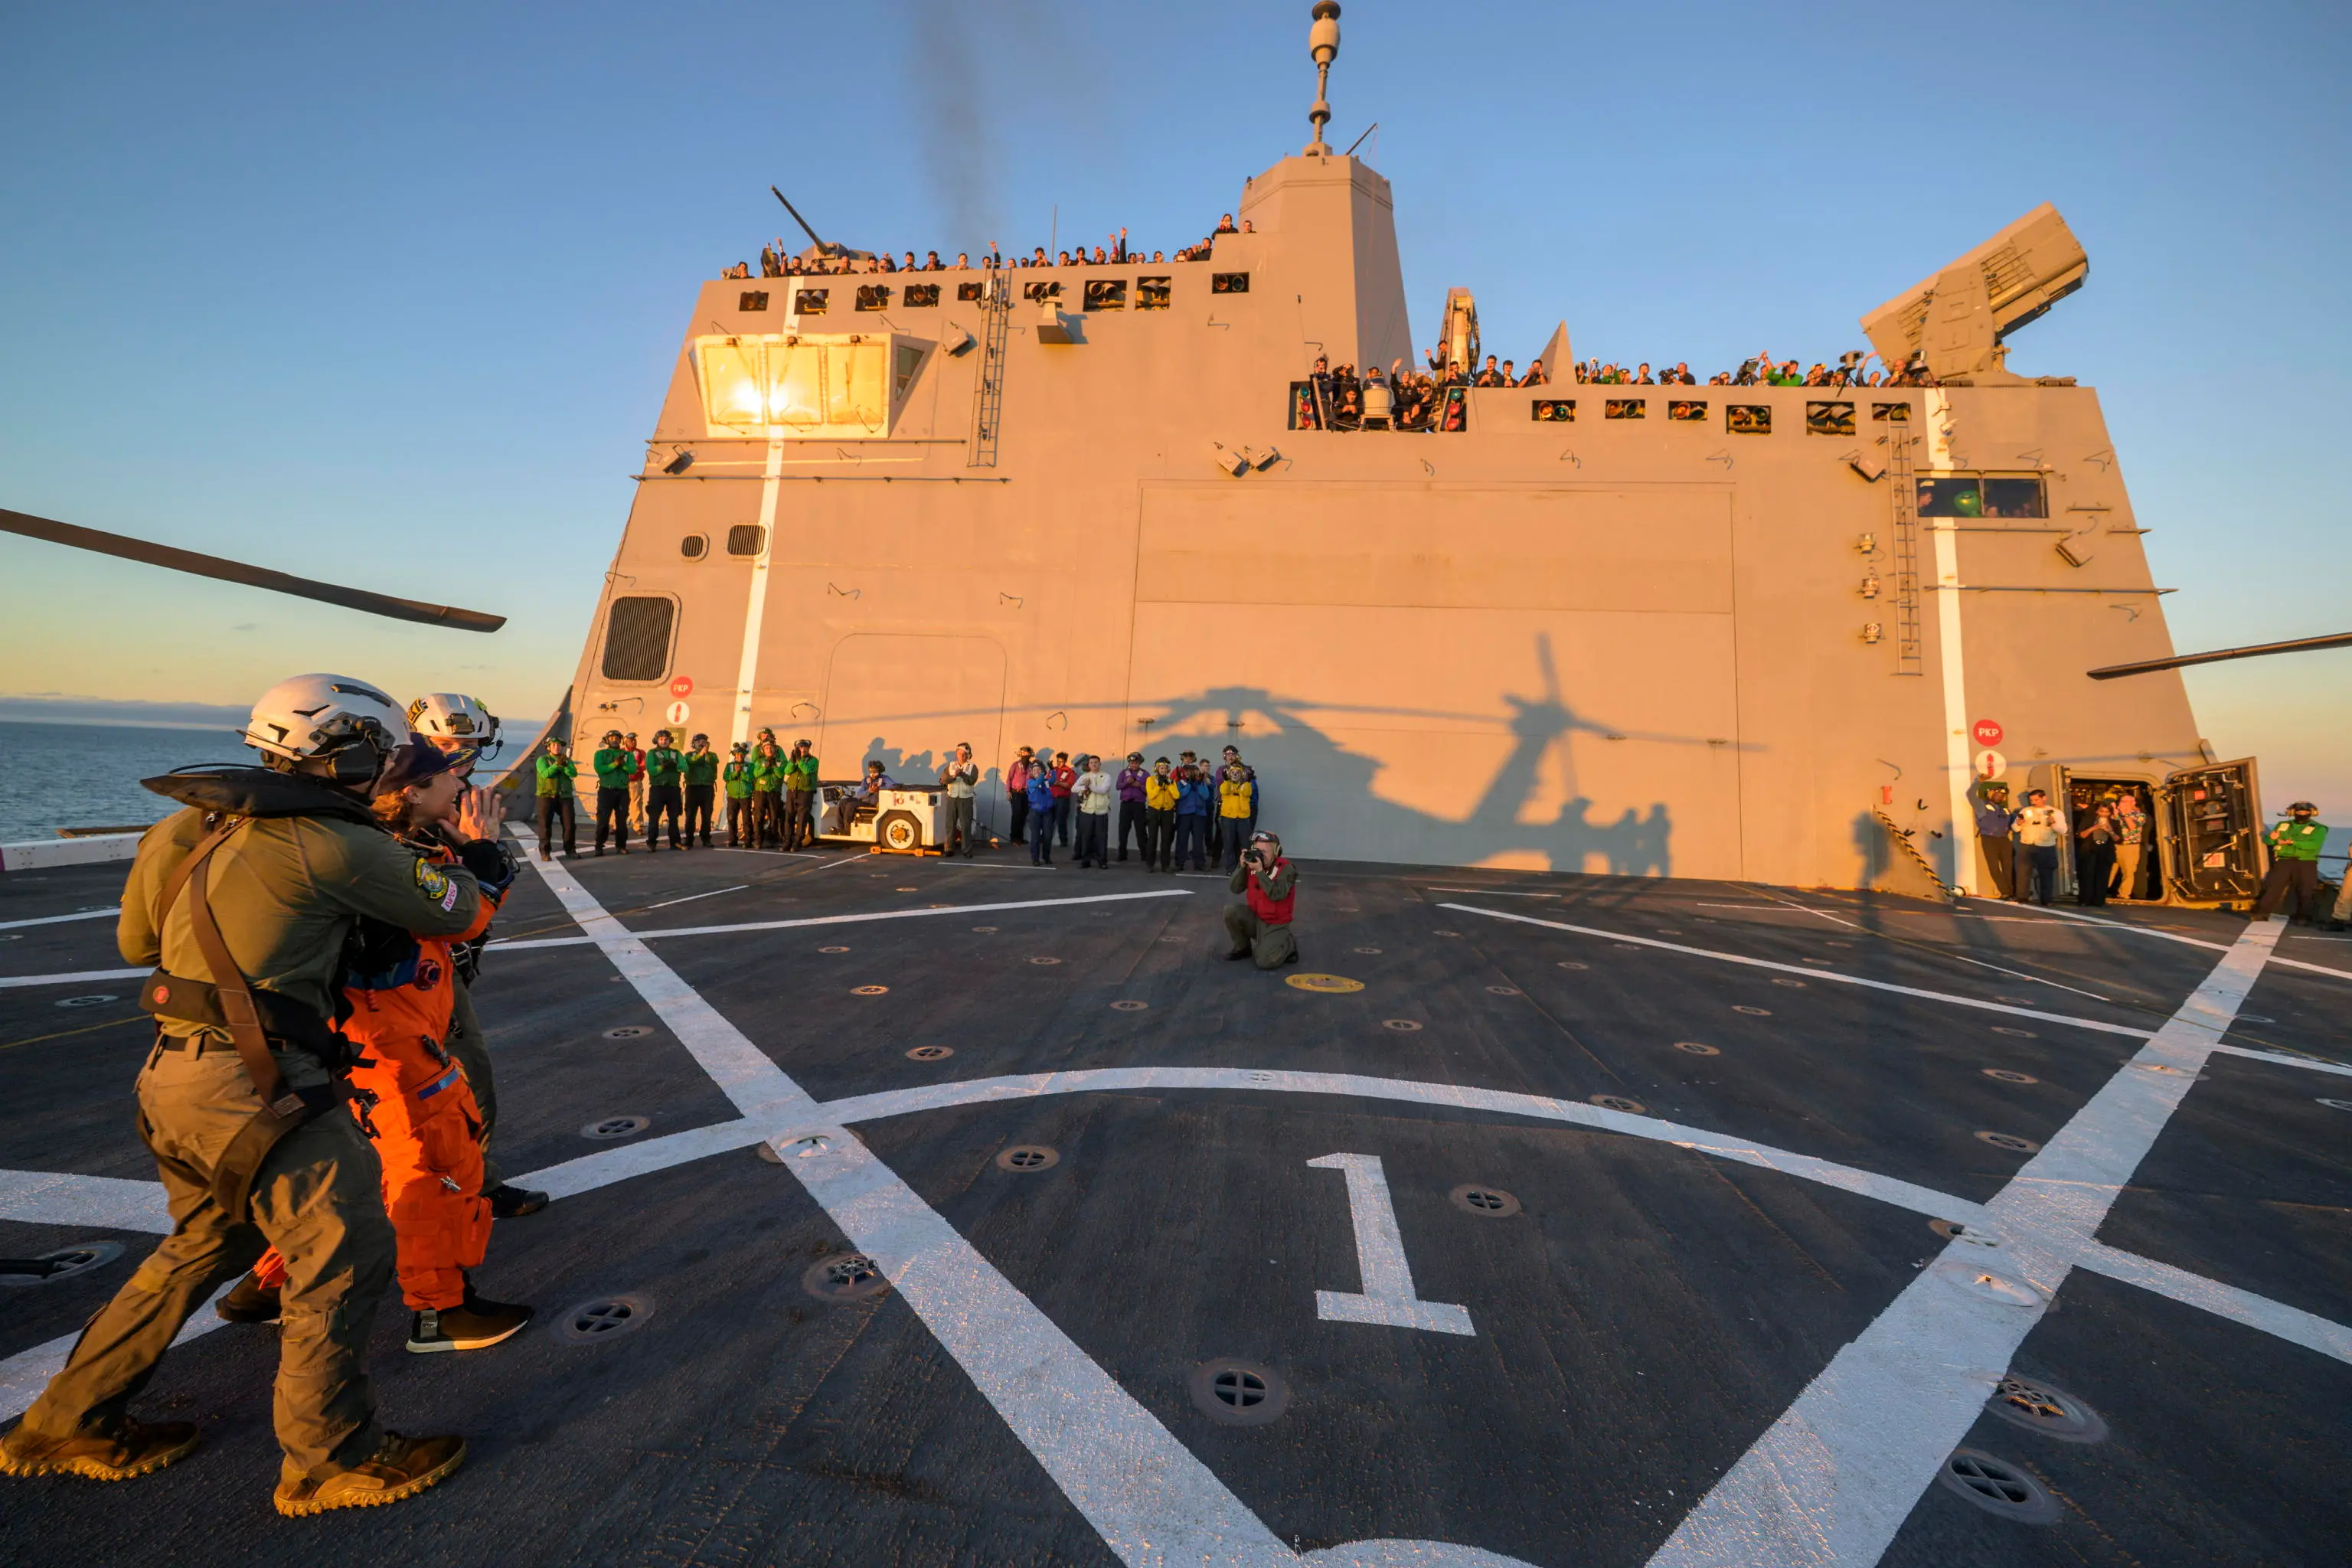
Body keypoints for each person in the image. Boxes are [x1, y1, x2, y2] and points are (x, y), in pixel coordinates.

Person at [0, 674, 480, 1514]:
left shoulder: (186, 823)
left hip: (170, 1075)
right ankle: (330, 1456)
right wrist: (461, 852)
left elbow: (136, 940)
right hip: (259, 1086)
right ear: (346, 749)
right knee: (345, 1247)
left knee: (197, 1248)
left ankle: (66, 1416)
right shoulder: (338, 841)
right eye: (374, 747)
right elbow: (457, 908)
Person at [220, 741, 532, 1354]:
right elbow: (464, 914)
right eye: (448, 778)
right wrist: (483, 847)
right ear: (412, 791)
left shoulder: (364, 845)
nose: (462, 787)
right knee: (437, 1165)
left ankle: (267, 1286)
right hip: (392, 1043)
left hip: (364, 1040)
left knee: (363, 1178)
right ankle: (439, 1312)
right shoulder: (386, 857)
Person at [1222, 830, 1300, 969]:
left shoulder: (1286, 869)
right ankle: (1243, 948)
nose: (1260, 855)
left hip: (1276, 924)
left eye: (1265, 851)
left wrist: (1260, 872)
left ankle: (1288, 944)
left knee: (1264, 962)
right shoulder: (1253, 865)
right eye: (1257, 850)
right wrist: (1241, 866)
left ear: (1277, 852)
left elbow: (1277, 894)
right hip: (1257, 919)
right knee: (1231, 911)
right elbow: (1235, 889)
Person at [2252, 802, 2329, 922]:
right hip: (2284, 861)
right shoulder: (2282, 825)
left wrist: (2292, 842)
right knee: (2273, 887)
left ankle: (2303, 917)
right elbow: (2269, 841)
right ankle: (2262, 913)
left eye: (2305, 812)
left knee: (2305, 890)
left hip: (2306, 862)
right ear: (2292, 813)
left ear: (2312, 813)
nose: (2302, 814)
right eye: (2299, 812)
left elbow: (2314, 845)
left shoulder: (2319, 828)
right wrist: (2271, 838)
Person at [2012, 789, 2063, 905]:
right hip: (2027, 844)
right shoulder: (2025, 811)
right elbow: (2015, 828)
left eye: (2036, 800)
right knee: (2023, 872)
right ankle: (2022, 897)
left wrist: (2053, 823)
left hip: (2046, 846)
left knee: (2046, 874)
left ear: (2044, 798)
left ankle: (2046, 899)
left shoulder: (2055, 812)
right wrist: (2018, 824)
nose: (2034, 802)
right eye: (2031, 800)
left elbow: (2063, 830)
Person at [532, 737, 578, 859]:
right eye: (553, 745)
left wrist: (565, 765)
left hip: (565, 796)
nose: (557, 747)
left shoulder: (566, 760)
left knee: (569, 825)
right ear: (548, 747)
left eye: (558, 745)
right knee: (545, 825)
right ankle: (545, 852)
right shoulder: (542, 760)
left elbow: (574, 773)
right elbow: (546, 774)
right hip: (546, 796)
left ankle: (570, 850)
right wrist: (557, 765)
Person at [592, 728, 636, 854]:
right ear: (607, 740)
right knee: (603, 819)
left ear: (620, 740)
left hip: (622, 791)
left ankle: (621, 846)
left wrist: (623, 765)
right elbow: (600, 769)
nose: (615, 740)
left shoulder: (628, 755)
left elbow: (633, 770)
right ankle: (599, 846)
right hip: (607, 790)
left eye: (617, 738)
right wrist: (615, 764)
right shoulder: (601, 754)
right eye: (611, 738)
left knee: (622, 820)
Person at [642, 729, 685, 850]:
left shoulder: (676, 753)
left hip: (673, 789)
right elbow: (651, 770)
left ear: (670, 740)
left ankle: (675, 842)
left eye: (666, 739)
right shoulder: (652, 753)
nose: (664, 741)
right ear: (657, 740)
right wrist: (663, 766)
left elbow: (685, 767)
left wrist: (675, 766)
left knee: (674, 816)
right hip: (658, 788)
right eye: (661, 739)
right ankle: (652, 842)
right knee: (654, 816)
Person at [1972, 782, 2014, 900]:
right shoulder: (1981, 806)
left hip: (2004, 840)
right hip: (1989, 839)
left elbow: (2013, 825)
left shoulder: (2006, 811)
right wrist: (1978, 780)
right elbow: (1970, 794)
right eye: (1997, 793)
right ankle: (2005, 892)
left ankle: (2011, 892)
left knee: (2008, 867)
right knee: (1994, 867)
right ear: (1989, 793)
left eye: (2002, 795)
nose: (2000, 796)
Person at [938, 741, 980, 857]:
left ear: (968, 755)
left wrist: (962, 774)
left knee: (966, 825)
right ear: (956, 754)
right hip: (952, 798)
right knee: (950, 824)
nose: (961, 756)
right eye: (959, 753)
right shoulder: (950, 766)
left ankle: (966, 850)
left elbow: (972, 780)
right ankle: (949, 849)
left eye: (964, 754)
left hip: (966, 799)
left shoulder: (972, 767)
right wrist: (953, 776)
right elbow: (943, 780)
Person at [1073, 753, 1113, 868]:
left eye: (1096, 762)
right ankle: (1085, 860)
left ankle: (1102, 861)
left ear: (1099, 764)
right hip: (1087, 811)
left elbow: (1103, 790)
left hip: (1101, 811)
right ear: (1089, 765)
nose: (1094, 764)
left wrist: (1090, 786)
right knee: (1086, 837)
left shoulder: (1106, 776)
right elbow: (1074, 788)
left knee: (1101, 837)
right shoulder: (1085, 776)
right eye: (1091, 763)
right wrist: (1084, 787)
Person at [2075, 804, 2119, 907]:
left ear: (2110, 813)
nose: (2103, 814)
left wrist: (2110, 831)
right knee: (2087, 875)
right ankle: (2085, 900)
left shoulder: (2115, 823)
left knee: (2103, 877)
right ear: (2097, 812)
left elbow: (2118, 839)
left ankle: (2099, 900)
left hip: (2105, 851)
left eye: (2106, 812)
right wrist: (2094, 828)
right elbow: (2080, 835)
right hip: (2089, 850)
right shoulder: (2088, 820)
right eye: (2101, 811)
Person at [1174, 756, 1214, 871]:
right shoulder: (1181, 782)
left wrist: (1198, 785)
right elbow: (1179, 795)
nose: (1193, 774)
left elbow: (1206, 796)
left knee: (1198, 839)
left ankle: (1199, 863)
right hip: (1185, 813)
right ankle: (1179, 863)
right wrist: (1188, 787)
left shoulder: (1201, 783)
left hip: (1199, 814)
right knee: (1182, 838)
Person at [1218, 756, 1256, 870]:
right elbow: (1224, 791)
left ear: (1241, 774)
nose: (1235, 774)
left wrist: (1248, 781)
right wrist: (1226, 780)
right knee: (1229, 844)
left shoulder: (1245, 785)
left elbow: (1248, 793)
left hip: (1243, 818)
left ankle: (1244, 867)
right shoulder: (1226, 785)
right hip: (1229, 818)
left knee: (1245, 844)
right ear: (1229, 774)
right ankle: (1231, 868)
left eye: (1237, 773)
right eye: (1233, 772)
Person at [750, 739, 789, 849]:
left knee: (774, 817)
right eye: (767, 748)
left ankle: (773, 839)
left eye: (771, 747)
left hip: (774, 793)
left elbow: (781, 774)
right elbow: (756, 774)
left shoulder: (780, 762)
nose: (769, 750)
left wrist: (774, 766)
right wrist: (765, 767)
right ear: (763, 750)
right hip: (761, 792)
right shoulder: (759, 762)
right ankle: (758, 840)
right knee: (759, 817)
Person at [2112, 791, 2150, 900]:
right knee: (2110, 869)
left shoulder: (2140, 815)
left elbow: (2132, 827)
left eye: (2124, 802)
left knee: (2128, 871)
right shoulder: (2117, 813)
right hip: (2116, 845)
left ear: (2132, 803)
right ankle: (2102, 890)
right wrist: (2114, 812)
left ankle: (2124, 894)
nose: (2121, 803)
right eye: (2121, 801)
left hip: (2130, 846)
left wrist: (2124, 814)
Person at [683, 733, 719, 847]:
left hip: (707, 788)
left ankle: (706, 838)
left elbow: (713, 763)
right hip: (693, 787)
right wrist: (701, 754)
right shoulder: (689, 755)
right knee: (690, 814)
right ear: (694, 743)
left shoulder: (712, 755)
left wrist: (706, 754)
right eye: (699, 741)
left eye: (704, 741)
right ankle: (689, 839)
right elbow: (692, 762)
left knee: (707, 814)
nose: (702, 743)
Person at [1143, 756, 1178, 872]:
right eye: (1161, 768)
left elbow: (1177, 796)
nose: (1163, 770)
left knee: (1166, 839)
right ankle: (1150, 864)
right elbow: (1151, 795)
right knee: (1152, 838)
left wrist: (1169, 785)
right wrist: (1159, 786)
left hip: (1167, 811)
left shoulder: (1171, 781)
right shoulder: (1150, 780)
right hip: (1154, 810)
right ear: (1157, 769)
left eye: (1165, 768)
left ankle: (1165, 865)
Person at [784, 739, 821, 850]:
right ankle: (787, 841)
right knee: (789, 816)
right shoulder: (794, 760)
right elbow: (787, 771)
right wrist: (793, 762)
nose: (803, 750)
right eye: (800, 748)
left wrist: (799, 762)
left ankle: (798, 841)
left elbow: (808, 771)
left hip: (805, 791)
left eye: (805, 747)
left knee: (802, 817)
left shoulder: (813, 760)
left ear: (808, 749)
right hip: (792, 791)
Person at [1115, 752, 1149, 862]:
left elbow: (1149, 790)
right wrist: (1126, 782)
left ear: (1140, 763)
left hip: (1139, 805)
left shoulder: (1145, 774)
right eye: (1132, 763)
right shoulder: (1124, 773)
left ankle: (1145, 854)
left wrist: (1140, 786)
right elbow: (1118, 786)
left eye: (1136, 763)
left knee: (1141, 830)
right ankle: (1122, 854)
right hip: (1126, 804)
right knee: (1123, 830)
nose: (1134, 765)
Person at [722, 742, 756, 847]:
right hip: (732, 796)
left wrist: (741, 772)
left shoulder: (750, 766)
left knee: (747, 819)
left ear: (744, 755)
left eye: (741, 754)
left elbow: (751, 779)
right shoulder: (730, 765)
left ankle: (748, 840)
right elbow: (726, 777)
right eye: (737, 754)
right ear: (734, 755)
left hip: (745, 796)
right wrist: (735, 773)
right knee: (731, 818)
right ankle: (732, 840)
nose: (739, 756)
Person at [1024, 761, 1058, 864]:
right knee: (1036, 836)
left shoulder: (1045, 782)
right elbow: (1037, 782)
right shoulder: (1030, 782)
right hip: (1035, 812)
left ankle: (1046, 856)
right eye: (1034, 770)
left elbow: (1053, 779)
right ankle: (1035, 858)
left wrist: (1052, 770)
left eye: (1039, 769)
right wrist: (1042, 775)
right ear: (1031, 773)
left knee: (1048, 836)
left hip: (1047, 812)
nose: (1037, 772)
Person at [1006, 746, 1036, 845]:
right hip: (1016, 793)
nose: (1025, 755)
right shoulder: (1015, 765)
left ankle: (1020, 837)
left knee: (1023, 815)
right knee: (1017, 815)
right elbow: (1009, 778)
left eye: (1027, 753)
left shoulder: (1031, 766)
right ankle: (1014, 838)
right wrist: (1008, 791)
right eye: (1023, 753)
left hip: (1026, 793)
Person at [1050, 750, 1077, 848]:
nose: (1059, 763)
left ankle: (1063, 841)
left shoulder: (1069, 771)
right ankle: (1044, 839)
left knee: (1061, 820)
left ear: (1065, 761)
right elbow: (1047, 780)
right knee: (1048, 819)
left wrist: (1059, 783)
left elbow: (1070, 785)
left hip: (1062, 800)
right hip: (1051, 798)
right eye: (1057, 761)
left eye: (1061, 761)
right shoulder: (1053, 769)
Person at [622, 731, 647, 834]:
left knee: (636, 804)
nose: (633, 742)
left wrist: (635, 767)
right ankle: (616, 825)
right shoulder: (620, 752)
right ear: (625, 742)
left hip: (635, 781)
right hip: (622, 781)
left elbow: (644, 765)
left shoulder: (641, 752)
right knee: (620, 804)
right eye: (630, 740)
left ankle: (637, 825)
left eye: (634, 740)